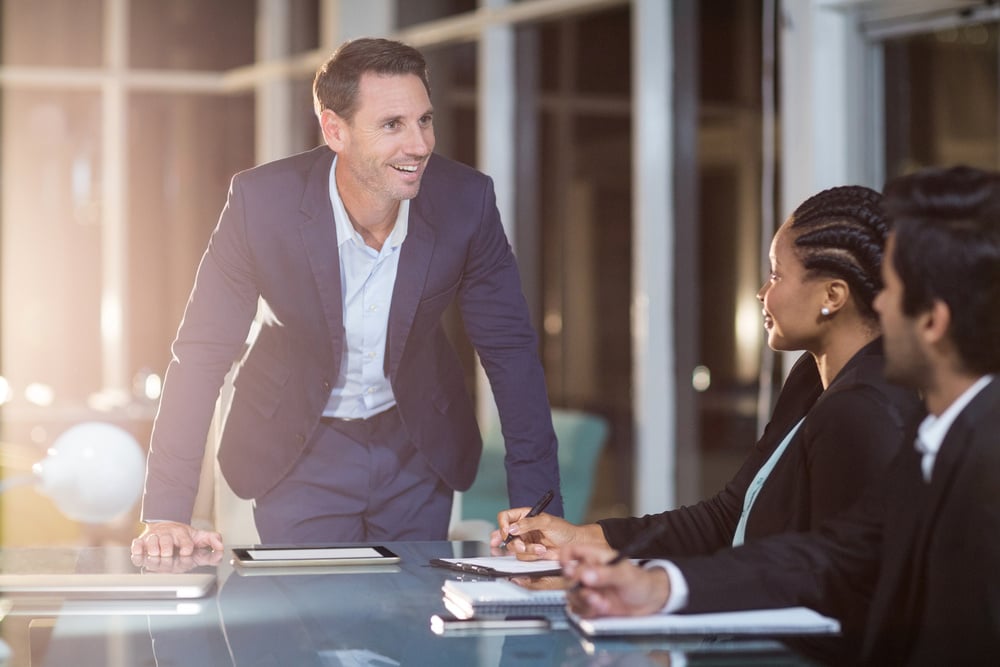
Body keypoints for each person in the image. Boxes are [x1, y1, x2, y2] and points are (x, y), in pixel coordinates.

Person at [131, 37, 562, 557]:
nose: (420, 144)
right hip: (299, 445)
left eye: (424, 120)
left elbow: (510, 351)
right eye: (391, 125)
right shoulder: (262, 204)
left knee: (411, 620)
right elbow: (201, 353)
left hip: (416, 445)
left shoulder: (466, 202)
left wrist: (540, 513)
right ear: (335, 130)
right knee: (311, 623)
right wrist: (167, 513)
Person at [560, 165, 1000, 666]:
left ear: (932, 321)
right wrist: (657, 586)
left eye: (889, 289)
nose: (875, 302)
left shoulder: (984, 460)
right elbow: (830, 557)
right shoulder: (940, 437)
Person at [493, 186, 921, 561]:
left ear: (833, 295)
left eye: (775, 275)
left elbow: (831, 580)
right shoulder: (811, 379)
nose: (761, 293)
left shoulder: (865, 412)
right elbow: (728, 516)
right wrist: (581, 540)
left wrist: (653, 590)